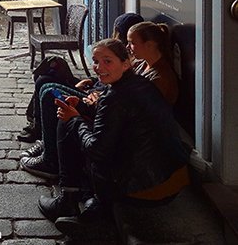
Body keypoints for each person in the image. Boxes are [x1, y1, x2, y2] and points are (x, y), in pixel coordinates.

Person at [38, 39, 189, 227]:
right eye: (95, 61)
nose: (99, 67)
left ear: (126, 63)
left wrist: (75, 119)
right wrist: (83, 108)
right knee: (75, 121)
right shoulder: (140, 83)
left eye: (107, 61)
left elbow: (97, 151)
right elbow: (117, 119)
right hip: (170, 176)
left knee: (68, 124)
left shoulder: (115, 97)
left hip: (145, 187)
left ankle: (68, 201)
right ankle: (87, 199)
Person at [17, 12, 144, 144]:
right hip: (91, 87)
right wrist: (91, 80)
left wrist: (97, 93)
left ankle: (38, 128)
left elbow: (117, 86)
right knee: (53, 64)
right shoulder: (118, 51)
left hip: (88, 96)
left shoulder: (124, 59)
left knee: (45, 82)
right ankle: (35, 120)